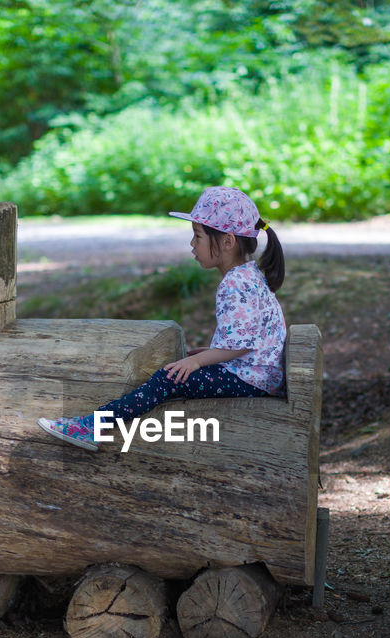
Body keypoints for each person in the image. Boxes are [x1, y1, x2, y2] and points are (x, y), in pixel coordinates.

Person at [38, 186, 287, 451]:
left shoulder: (235, 283)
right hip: (259, 375)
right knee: (177, 372)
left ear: (227, 241)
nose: (192, 244)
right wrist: (205, 353)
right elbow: (249, 341)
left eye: (198, 236)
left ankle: (91, 427)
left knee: (167, 379)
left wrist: (198, 360)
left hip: (251, 380)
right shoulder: (250, 275)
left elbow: (242, 345)